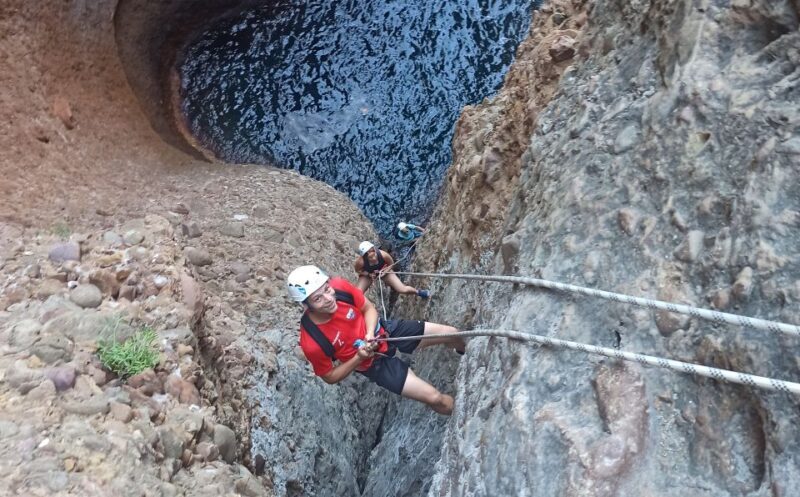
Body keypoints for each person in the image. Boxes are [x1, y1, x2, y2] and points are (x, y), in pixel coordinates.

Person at [286, 265, 465, 415]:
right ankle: (462, 415)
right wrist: (358, 358)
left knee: (452, 333)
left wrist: (370, 333)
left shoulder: (340, 287)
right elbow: (330, 376)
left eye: (327, 289)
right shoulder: (312, 341)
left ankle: (464, 353)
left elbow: (368, 308)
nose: (328, 299)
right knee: (435, 398)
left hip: (385, 332)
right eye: (318, 298)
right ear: (306, 305)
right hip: (373, 365)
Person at [354, 241, 430, 298]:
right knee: (357, 293)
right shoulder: (360, 262)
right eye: (370, 256)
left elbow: (391, 264)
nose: (373, 257)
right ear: (365, 255)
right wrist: (368, 274)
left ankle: (418, 292)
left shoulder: (383, 255)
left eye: (373, 251)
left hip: (385, 271)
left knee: (402, 289)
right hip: (369, 275)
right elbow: (358, 270)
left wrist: (385, 272)